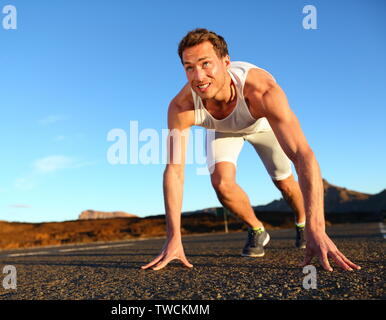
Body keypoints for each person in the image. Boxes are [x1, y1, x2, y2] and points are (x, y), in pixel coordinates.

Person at [141, 28, 361, 272]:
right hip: (221, 129)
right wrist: (173, 237)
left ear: (226, 62)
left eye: (206, 64)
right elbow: (174, 171)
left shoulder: (262, 91)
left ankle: (302, 222)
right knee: (221, 184)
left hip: (261, 124)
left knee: (284, 182)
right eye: (189, 67)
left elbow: (303, 156)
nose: (198, 76)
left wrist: (317, 228)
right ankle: (257, 229)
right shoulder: (181, 107)